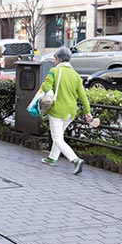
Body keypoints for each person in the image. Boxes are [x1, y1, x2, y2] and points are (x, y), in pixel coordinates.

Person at [39, 46, 92, 175]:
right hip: (70, 112)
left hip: (57, 109)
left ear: (58, 59)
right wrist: (87, 112)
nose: (54, 61)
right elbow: (83, 96)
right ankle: (52, 158)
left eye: (55, 58)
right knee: (60, 136)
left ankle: (75, 160)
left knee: (57, 138)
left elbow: (45, 86)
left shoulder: (54, 71)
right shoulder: (75, 75)